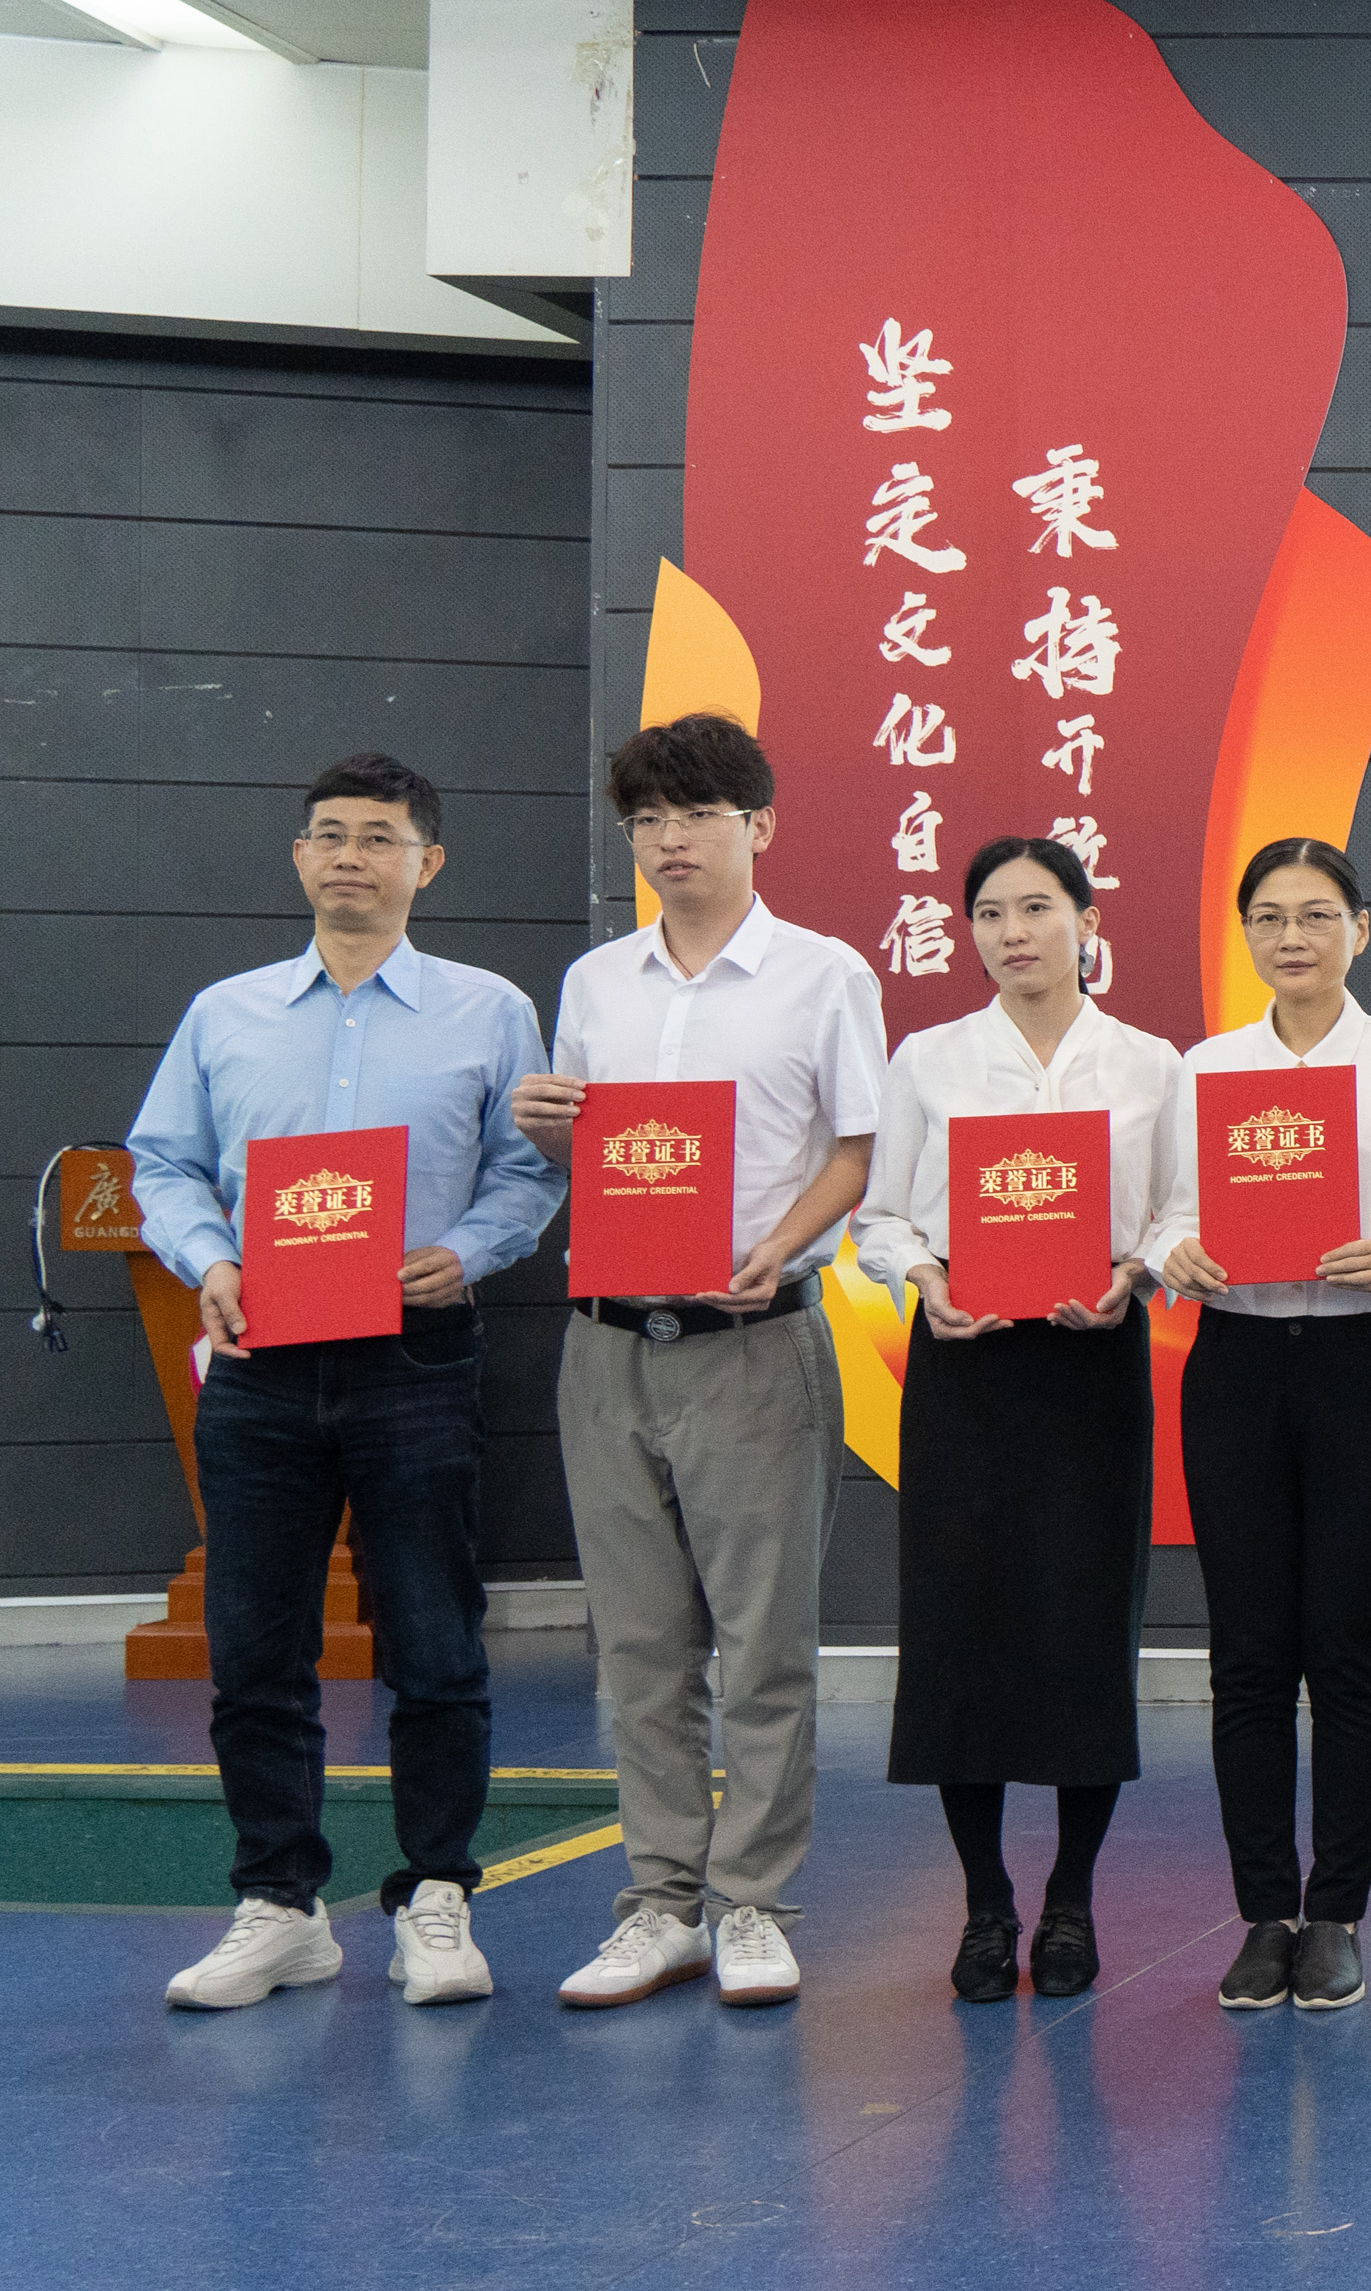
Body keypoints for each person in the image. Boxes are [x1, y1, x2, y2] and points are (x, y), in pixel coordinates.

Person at [131, 753, 559, 2013]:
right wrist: (209, 1257)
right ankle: (280, 1903)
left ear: (429, 862)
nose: (349, 857)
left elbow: (530, 1172)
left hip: (415, 1355)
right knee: (254, 1644)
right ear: (299, 857)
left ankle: (437, 1895)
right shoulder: (225, 1013)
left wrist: (466, 1250)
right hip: (259, 1360)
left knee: (434, 1638)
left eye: (378, 836)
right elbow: (163, 1162)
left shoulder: (490, 1011)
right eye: (328, 834)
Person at [515, 713, 884, 2014]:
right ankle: (659, 1903)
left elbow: (858, 1147)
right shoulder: (596, 983)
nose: (670, 840)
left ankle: (752, 1902)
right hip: (607, 1344)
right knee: (637, 1646)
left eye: (697, 814)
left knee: (763, 1643)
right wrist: (543, 1124)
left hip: (753, 1340)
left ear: (759, 824)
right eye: (648, 820)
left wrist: (779, 1243)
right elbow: (597, 1155)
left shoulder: (824, 975)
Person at [851, 837, 1173, 2005]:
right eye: (989, 912)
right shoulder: (930, 1058)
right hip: (966, 1364)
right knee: (962, 1628)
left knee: (1084, 1626)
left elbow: (1178, 1211)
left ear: (1087, 921)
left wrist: (1135, 1272)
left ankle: (1071, 1899)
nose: (1012, 931)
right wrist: (923, 1275)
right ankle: (986, 1903)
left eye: (1037, 907)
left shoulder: (1149, 1063)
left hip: (1091, 1364)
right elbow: (882, 1215)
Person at [1150, 837, 1371, 2017]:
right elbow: (1162, 1209)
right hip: (1235, 1364)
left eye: (1318, 914)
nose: (1294, 937)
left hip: (1362, 1363)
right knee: (1245, 1652)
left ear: (1360, 929)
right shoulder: (1204, 1067)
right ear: (1246, 935)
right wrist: (1173, 1250)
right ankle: (1261, 1914)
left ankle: (1333, 1913)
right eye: (1271, 917)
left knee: (1346, 1645)